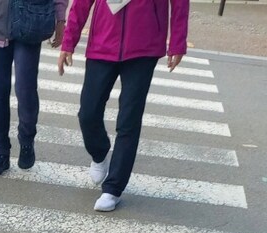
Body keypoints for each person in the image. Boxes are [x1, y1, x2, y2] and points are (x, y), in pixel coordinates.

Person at [58, 0, 188, 211]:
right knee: (88, 113)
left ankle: (113, 188)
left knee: (129, 120)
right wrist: (68, 42)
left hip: (144, 45)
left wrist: (177, 42)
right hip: (103, 40)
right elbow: (81, 3)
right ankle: (99, 153)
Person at [0, 0, 68, 176]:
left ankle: (26, 140)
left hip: (30, 24)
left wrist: (60, 20)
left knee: (25, 89)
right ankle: (0, 153)